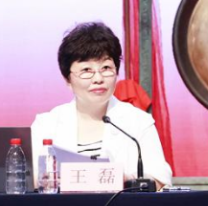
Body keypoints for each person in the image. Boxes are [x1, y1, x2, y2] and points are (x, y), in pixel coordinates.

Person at [31, 23, 172, 189]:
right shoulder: (46, 125)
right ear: (68, 79)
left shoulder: (138, 122)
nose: (98, 78)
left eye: (106, 68)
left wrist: (127, 180)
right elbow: (30, 180)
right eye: (86, 70)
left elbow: (161, 179)